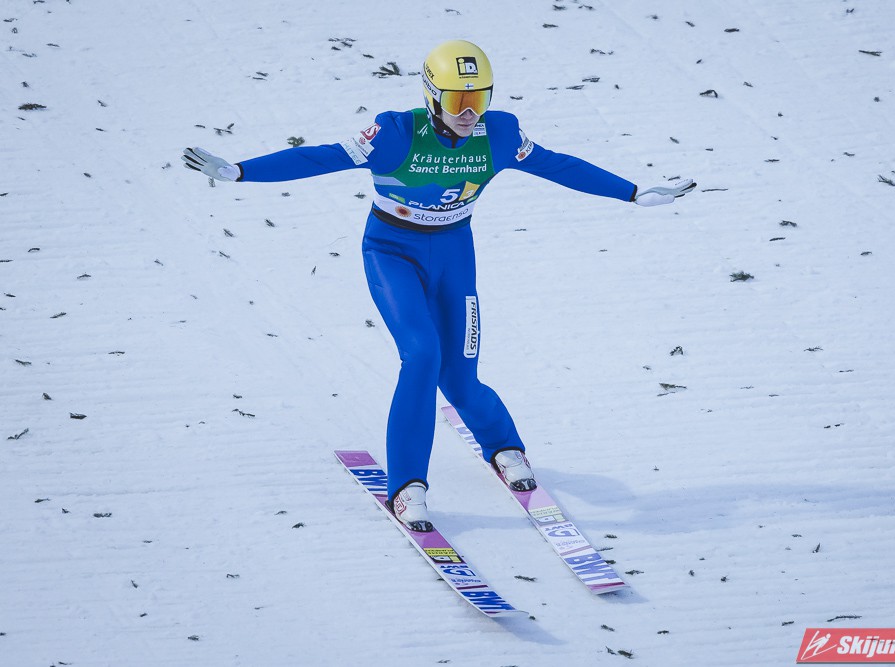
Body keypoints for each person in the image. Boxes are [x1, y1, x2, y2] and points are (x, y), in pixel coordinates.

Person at [183, 40, 695, 533]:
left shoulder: (499, 134)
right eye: (456, 100)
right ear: (431, 96)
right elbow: (319, 157)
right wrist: (240, 171)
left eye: (479, 99)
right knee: (422, 355)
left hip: (454, 255)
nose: (469, 112)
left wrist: (631, 193)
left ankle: (503, 446)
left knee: (461, 377)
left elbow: (558, 165)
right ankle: (408, 485)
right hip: (393, 253)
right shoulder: (394, 134)